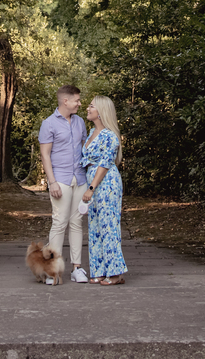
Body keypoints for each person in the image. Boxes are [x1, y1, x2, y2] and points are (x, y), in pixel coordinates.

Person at [38, 84, 90, 284]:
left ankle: (77, 268)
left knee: (77, 223)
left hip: (80, 178)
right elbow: (45, 155)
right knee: (59, 223)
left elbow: (85, 148)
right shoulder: (48, 124)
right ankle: (52, 270)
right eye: (77, 100)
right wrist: (52, 182)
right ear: (65, 101)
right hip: (60, 179)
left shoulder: (80, 122)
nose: (79, 104)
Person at [80, 95, 127, 285]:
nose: (88, 108)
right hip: (92, 180)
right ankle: (99, 270)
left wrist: (91, 188)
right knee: (95, 227)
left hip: (106, 183)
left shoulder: (109, 136)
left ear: (101, 111)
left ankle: (115, 273)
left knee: (109, 226)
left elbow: (105, 163)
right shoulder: (92, 132)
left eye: (92, 106)